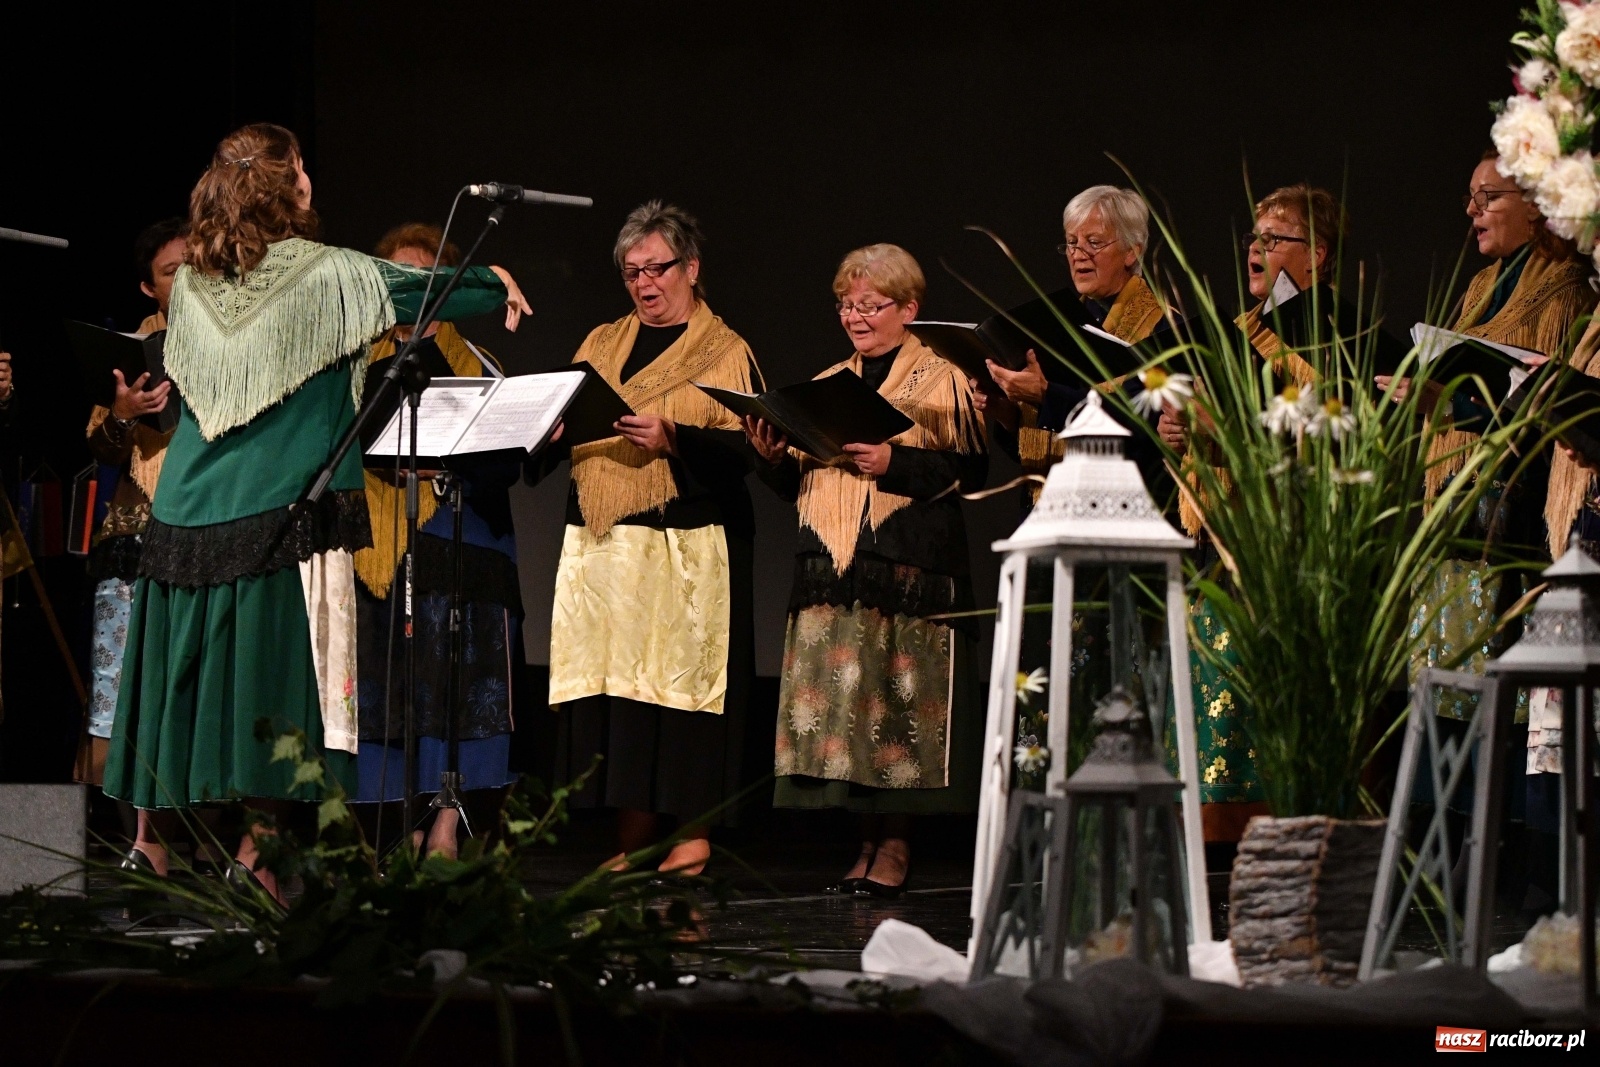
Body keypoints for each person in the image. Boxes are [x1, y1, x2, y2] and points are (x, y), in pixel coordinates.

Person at [103, 123, 530, 902]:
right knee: (274, 696)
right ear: (285, 187)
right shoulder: (333, 275)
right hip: (278, 519)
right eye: (301, 167)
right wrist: (496, 277)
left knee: (192, 694)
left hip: (188, 516)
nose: (311, 179)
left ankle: (169, 852)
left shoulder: (193, 284)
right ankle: (259, 856)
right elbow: (448, 289)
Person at [745, 243, 987, 897]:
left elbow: (972, 472)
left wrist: (894, 463)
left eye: (871, 304)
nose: (855, 316)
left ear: (909, 307)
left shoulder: (944, 378)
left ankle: (898, 844)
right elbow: (806, 481)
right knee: (852, 706)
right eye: (847, 304)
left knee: (896, 710)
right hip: (836, 563)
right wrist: (770, 456)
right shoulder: (830, 383)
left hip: (908, 565)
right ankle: (865, 842)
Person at [530, 201, 761, 877]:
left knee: (682, 694)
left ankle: (691, 834)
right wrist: (550, 432)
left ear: (691, 268)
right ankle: (631, 837)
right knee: (619, 696)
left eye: (658, 268)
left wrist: (673, 437)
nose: (644, 283)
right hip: (605, 544)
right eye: (632, 272)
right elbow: (563, 426)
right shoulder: (601, 343)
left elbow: (747, 450)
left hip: (686, 541)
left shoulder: (725, 350)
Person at [352, 222, 524, 858]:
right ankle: (393, 825)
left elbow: (501, 460)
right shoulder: (353, 362)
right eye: (400, 277)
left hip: (461, 544)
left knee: (459, 693)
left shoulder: (479, 364)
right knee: (388, 696)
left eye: (427, 279)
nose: (413, 292)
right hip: (378, 548)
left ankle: (450, 823)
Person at [978, 186, 1174, 505]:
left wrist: (1046, 395)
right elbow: (1034, 449)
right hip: (1053, 505)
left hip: (1126, 511)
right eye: (1071, 243)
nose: (1078, 254)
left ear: (1132, 251)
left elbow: (1142, 428)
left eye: (1094, 242)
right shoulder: (1062, 325)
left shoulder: (1162, 330)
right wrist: (1008, 415)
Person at [79, 219, 182, 787]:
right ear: (150, 286)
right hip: (136, 537)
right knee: (114, 693)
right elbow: (100, 444)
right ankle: (121, 845)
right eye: (172, 272)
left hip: (209, 532)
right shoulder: (131, 349)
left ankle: (197, 837)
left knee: (191, 694)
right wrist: (125, 412)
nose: (187, 280)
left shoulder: (237, 346)